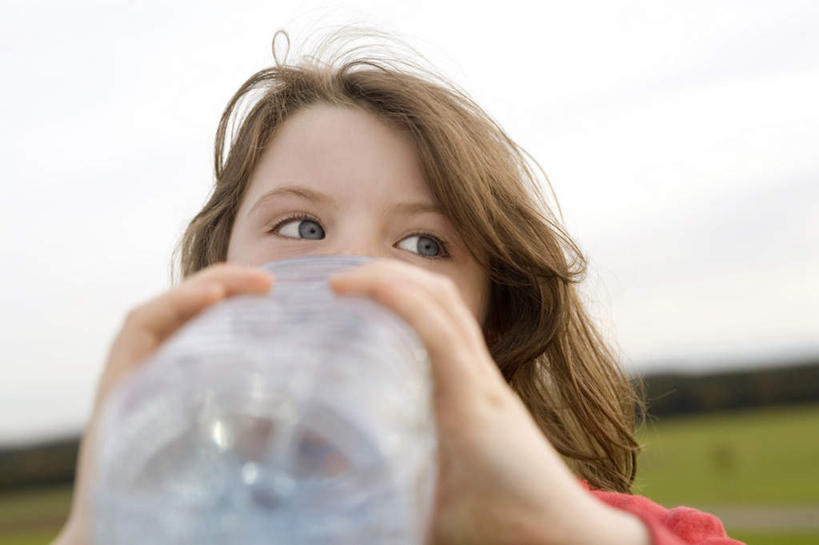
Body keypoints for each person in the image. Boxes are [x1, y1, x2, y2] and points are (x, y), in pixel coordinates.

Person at [54, 29, 744, 545]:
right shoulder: (165, 524)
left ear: (488, 318)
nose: (354, 272)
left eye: (423, 244)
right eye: (300, 225)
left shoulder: (601, 530)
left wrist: (552, 525)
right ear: (217, 274)